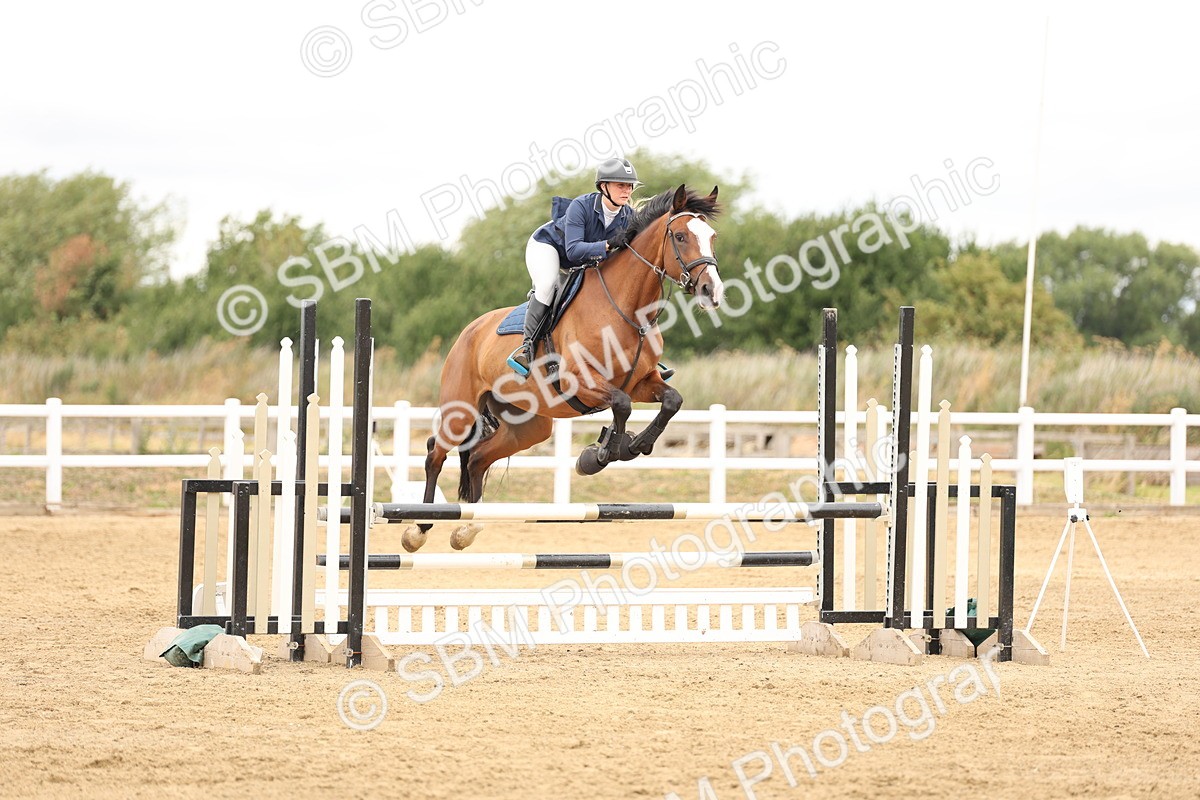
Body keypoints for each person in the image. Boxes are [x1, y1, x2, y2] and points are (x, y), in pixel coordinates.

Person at [507, 157, 640, 377]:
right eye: (620, 185)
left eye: (629, 186)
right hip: (550, 247)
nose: (627, 191)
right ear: (603, 187)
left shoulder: (629, 217)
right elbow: (573, 251)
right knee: (547, 286)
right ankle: (527, 350)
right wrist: (607, 245)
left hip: (584, 261)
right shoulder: (581, 206)